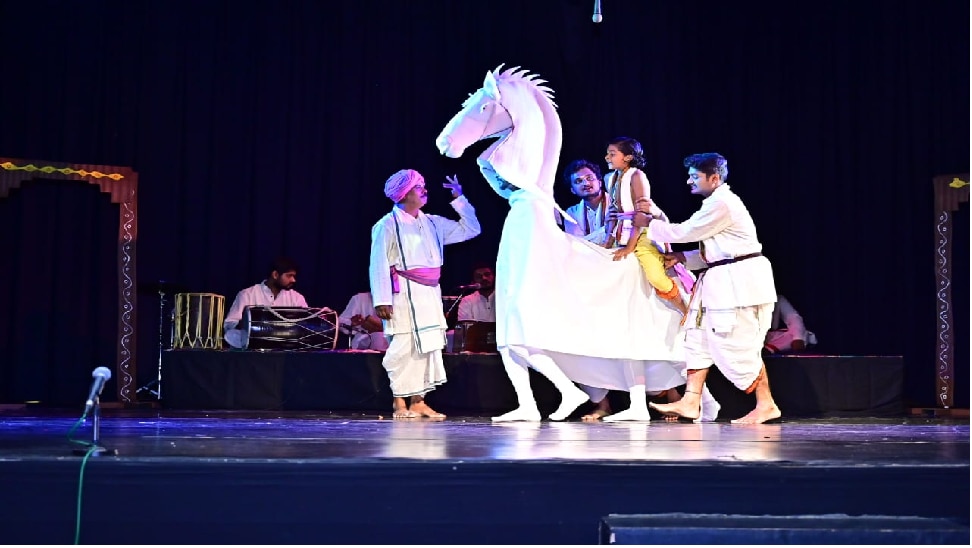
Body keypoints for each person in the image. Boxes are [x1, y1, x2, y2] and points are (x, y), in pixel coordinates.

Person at [639, 152, 782, 424]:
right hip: (720, 281)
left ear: (714, 178)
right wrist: (684, 258)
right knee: (696, 340)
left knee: (738, 345)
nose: (689, 181)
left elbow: (687, 232)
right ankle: (691, 402)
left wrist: (651, 223)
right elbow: (717, 249)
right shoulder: (714, 204)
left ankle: (766, 404)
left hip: (738, 285)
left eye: (695, 176)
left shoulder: (723, 204)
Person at [369, 169, 481, 419]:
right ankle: (399, 403)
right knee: (403, 346)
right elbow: (378, 262)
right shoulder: (387, 225)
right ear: (406, 194)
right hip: (402, 295)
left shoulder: (433, 222)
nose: (425, 190)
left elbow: (471, 229)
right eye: (420, 187)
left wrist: (459, 199)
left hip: (429, 293)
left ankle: (419, 402)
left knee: (428, 346)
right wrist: (382, 299)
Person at [602, 137, 688, 316]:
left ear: (628, 157)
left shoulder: (637, 176)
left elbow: (642, 215)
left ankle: (684, 308)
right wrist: (608, 240)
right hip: (620, 232)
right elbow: (612, 212)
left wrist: (630, 247)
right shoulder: (610, 178)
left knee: (656, 277)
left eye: (612, 154)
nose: (607, 158)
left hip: (641, 234)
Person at [223, 257, 308, 349]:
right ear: (275, 275)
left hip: (285, 357)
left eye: (294, 276)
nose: (293, 280)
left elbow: (306, 326)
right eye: (289, 276)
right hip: (251, 355)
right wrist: (247, 324)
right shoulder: (247, 295)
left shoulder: (296, 298)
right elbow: (229, 325)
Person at [561, 159, 612, 245]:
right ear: (573, 190)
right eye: (578, 181)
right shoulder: (572, 213)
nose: (586, 183)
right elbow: (577, 244)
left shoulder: (617, 203)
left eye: (589, 178)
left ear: (599, 182)